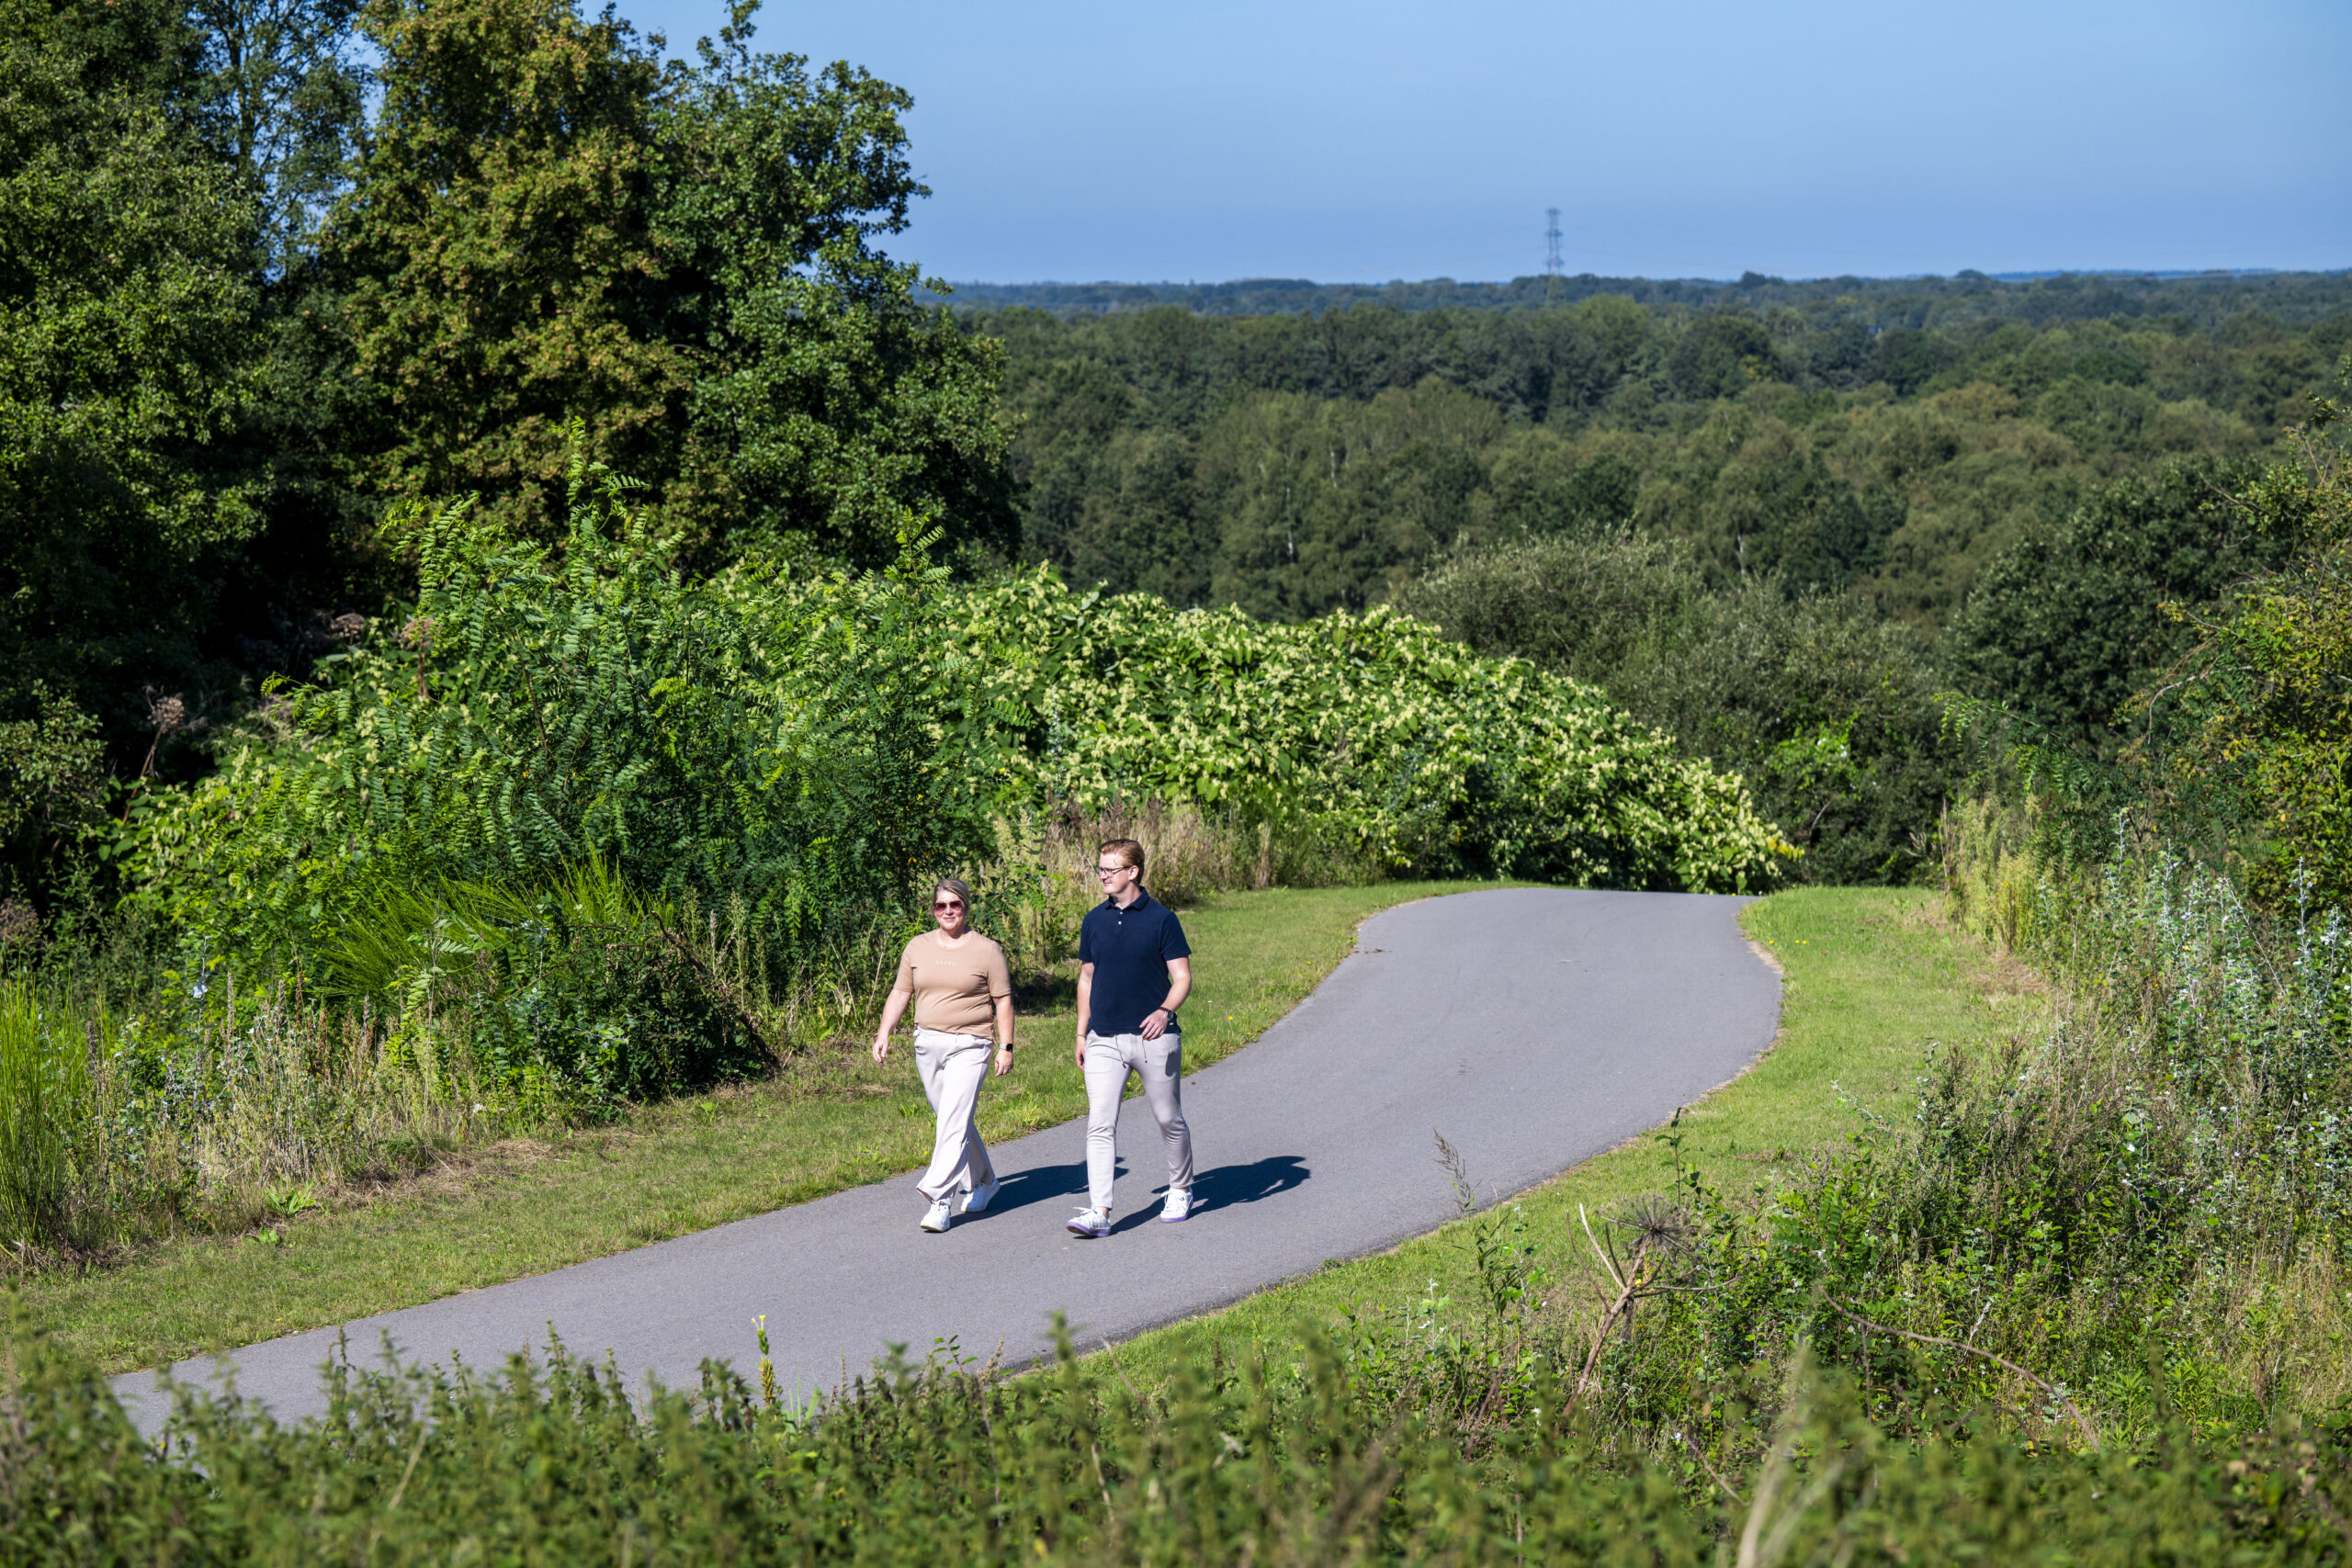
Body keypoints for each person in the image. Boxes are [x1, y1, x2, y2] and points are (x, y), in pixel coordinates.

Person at [1067, 838, 1194, 1237]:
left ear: (1132, 872)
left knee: (1167, 1117)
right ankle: (1099, 1212)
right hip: (1104, 1037)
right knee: (1099, 1124)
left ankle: (1180, 1188)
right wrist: (1081, 1032)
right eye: (1100, 869)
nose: (1103, 875)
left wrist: (1164, 1010)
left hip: (1153, 1038)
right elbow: (1086, 978)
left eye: (1110, 869)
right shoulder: (1094, 920)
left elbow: (1183, 978)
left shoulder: (1162, 919)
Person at [872, 877, 1015, 1232]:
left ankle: (939, 1199)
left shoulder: (986, 950)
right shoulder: (917, 947)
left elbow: (1003, 1000)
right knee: (954, 1119)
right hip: (927, 1044)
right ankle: (985, 1181)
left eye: (955, 905)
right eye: (941, 906)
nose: (948, 911)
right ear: (933, 909)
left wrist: (1006, 1046)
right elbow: (900, 992)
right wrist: (884, 1031)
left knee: (951, 1122)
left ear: (966, 907)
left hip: (972, 1043)